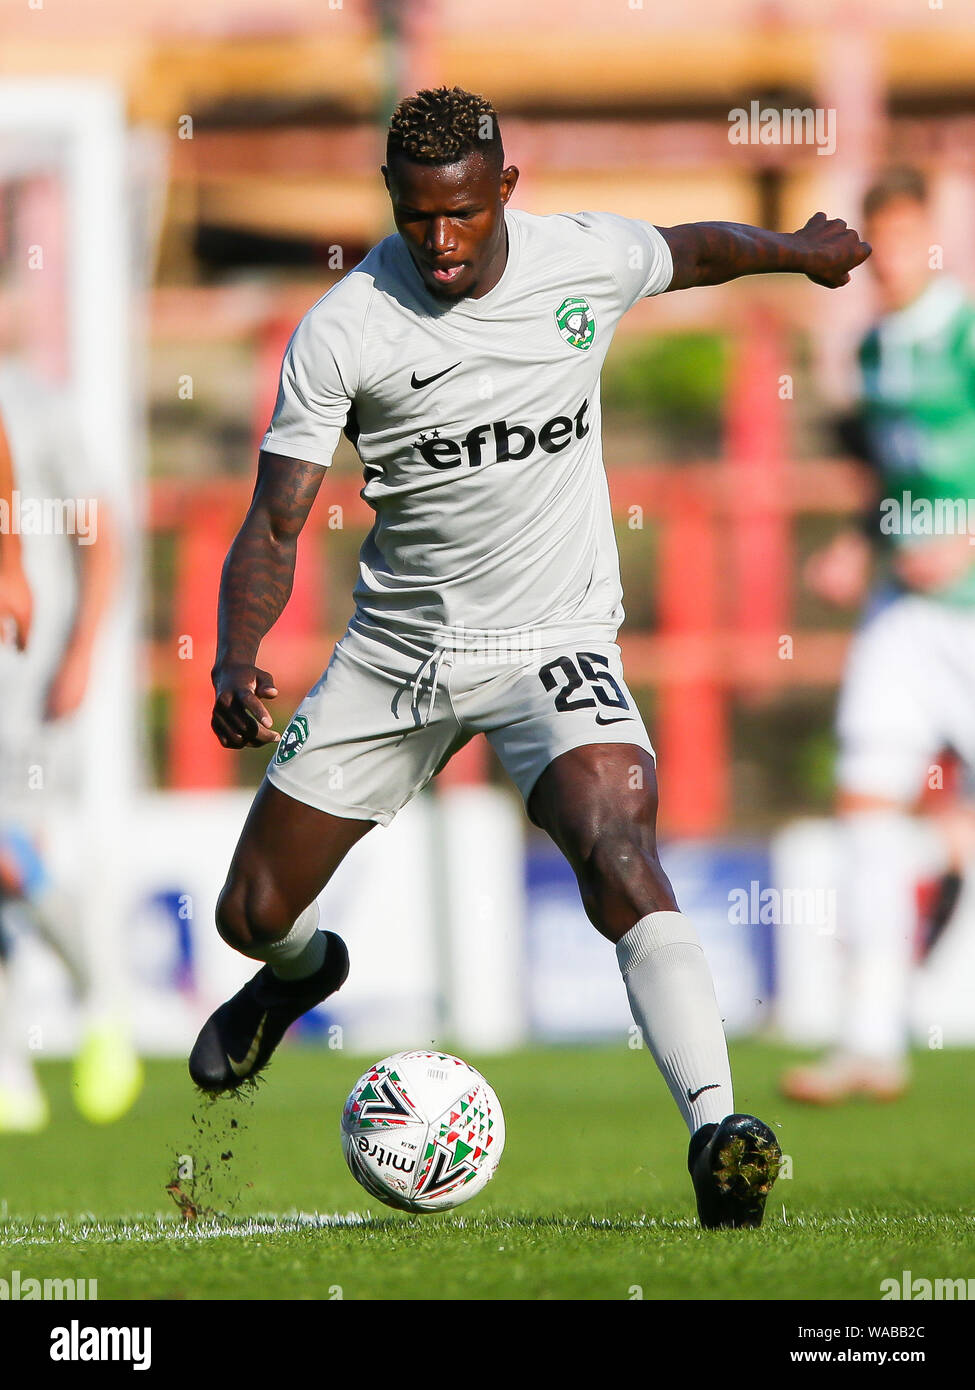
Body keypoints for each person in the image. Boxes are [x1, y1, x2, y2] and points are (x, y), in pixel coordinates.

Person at [189, 86, 869, 1227]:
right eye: (416, 218)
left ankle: (718, 1132)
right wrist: (236, 656)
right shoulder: (347, 326)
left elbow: (699, 249)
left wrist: (800, 250)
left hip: (551, 638)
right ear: (392, 204)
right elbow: (274, 520)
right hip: (397, 649)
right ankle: (304, 974)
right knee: (251, 913)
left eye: (461, 213)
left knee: (615, 836)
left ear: (506, 188)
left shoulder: (584, 259)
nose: (440, 242)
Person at [783, 168, 975, 1104]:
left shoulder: (967, 333)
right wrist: (859, 546)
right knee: (865, 809)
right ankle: (869, 1042)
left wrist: (966, 536)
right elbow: (882, 478)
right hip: (901, 613)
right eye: (878, 240)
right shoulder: (868, 353)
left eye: (904, 238)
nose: (889, 258)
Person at [0, 339, 142, 1131]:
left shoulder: (30, 399)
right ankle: (9, 1063)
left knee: (12, 855)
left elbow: (100, 531)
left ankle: (103, 995)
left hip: (24, 671)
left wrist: (84, 647)